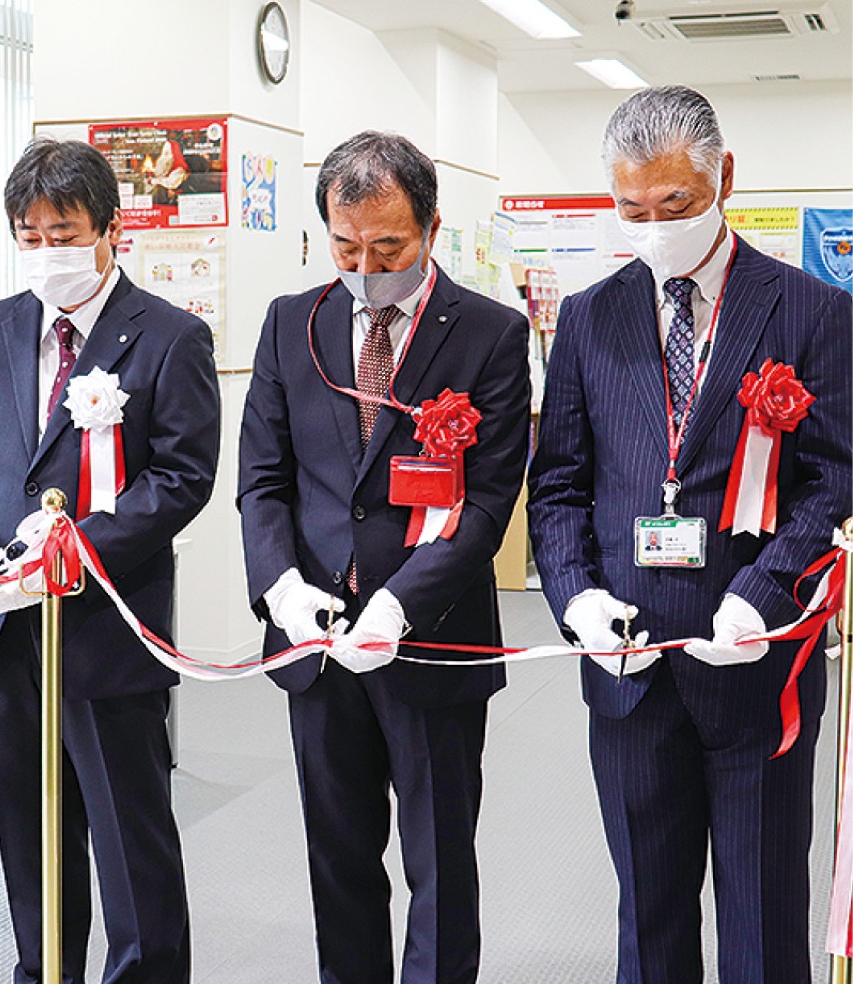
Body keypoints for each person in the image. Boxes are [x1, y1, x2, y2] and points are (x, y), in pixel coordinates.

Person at [528, 85, 852, 983]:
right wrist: (576, 598)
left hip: (754, 667)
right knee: (649, 913)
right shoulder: (591, 318)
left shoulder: (811, 313)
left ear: (725, 180)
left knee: (761, 914)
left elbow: (833, 479)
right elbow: (557, 483)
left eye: (676, 204)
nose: (655, 225)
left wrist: (763, 595)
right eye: (632, 208)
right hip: (628, 671)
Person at [0, 138, 220, 984]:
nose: (46, 250)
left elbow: (181, 477)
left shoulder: (169, 337)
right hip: (2, 637)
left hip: (103, 635)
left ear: (109, 231)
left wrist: (75, 548)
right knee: (29, 841)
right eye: (29, 233)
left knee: (131, 845)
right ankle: (42, 972)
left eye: (64, 231)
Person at [237, 131, 531, 984]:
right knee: (339, 861)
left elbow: (485, 502)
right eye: (345, 245)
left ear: (432, 229)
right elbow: (263, 479)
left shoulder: (488, 334)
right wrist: (281, 588)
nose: (366, 265)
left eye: (388, 246)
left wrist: (400, 605)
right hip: (317, 647)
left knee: (439, 864)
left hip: (432, 641)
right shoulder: (294, 322)